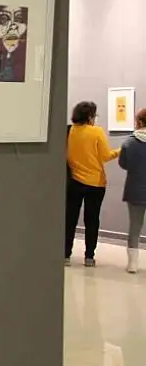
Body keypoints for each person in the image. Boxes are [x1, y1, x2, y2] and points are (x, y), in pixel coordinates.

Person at [65, 101, 120, 268]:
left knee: (70, 219)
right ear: (90, 116)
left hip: (74, 182)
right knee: (92, 220)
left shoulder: (69, 131)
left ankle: (65, 255)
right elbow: (105, 156)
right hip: (95, 184)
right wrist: (120, 150)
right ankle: (89, 257)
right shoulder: (96, 131)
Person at [118, 108, 146, 273]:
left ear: (139, 122)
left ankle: (132, 264)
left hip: (135, 188)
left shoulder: (129, 142)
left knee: (135, 227)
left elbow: (123, 164)